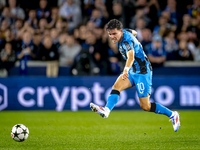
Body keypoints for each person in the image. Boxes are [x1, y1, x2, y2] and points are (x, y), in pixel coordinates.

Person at [90, 19, 180, 132]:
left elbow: (131, 57)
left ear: (120, 31)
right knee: (116, 87)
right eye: (110, 34)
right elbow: (135, 32)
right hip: (133, 70)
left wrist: (126, 69)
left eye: (114, 34)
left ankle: (173, 115)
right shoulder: (125, 32)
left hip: (142, 72)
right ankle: (106, 111)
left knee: (145, 106)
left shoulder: (126, 42)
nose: (112, 36)